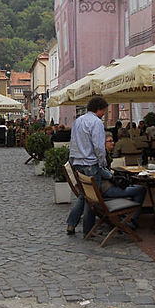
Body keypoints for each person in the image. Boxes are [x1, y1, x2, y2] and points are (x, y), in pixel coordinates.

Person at [66, 96, 110, 236]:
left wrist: (72, 161)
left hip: (78, 163)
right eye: (104, 110)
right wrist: (103, 163)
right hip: (90, 163)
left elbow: (72, 143)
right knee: (92, 198)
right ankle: (88, 229)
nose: (104, 114)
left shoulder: (78, 121)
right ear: (99, 109)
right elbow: (98, 146)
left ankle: (71, 224)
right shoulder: (96, 123)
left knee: (84, 195)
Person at [102, 133, 146, 227]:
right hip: (108, 190)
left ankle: (127, 217)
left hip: (106, 188)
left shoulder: (105, 155)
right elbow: (105, 173)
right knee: (141, 189)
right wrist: (112, 177)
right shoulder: (103, 157)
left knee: (135, 187)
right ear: (103, 143)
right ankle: (130, 220)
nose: (113, 143)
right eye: (109, 141)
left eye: (113, 141)